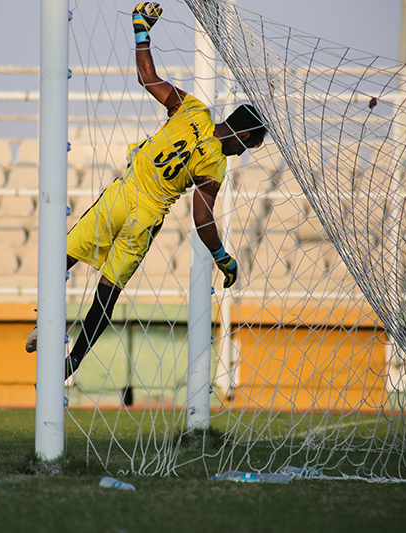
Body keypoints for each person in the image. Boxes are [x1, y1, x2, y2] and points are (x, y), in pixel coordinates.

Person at [26, 3, 267, 379]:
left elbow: (147, 77)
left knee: (62, 258)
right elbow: (202, 218)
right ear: (245, 135)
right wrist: (223, 258)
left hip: (121, 196)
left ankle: (46, 322)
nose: (244, 152)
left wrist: (142, 31)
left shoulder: (193, 109)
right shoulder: (216, 165)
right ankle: (72, 361)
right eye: (249, 146)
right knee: (107, 292)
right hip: (146, 217)